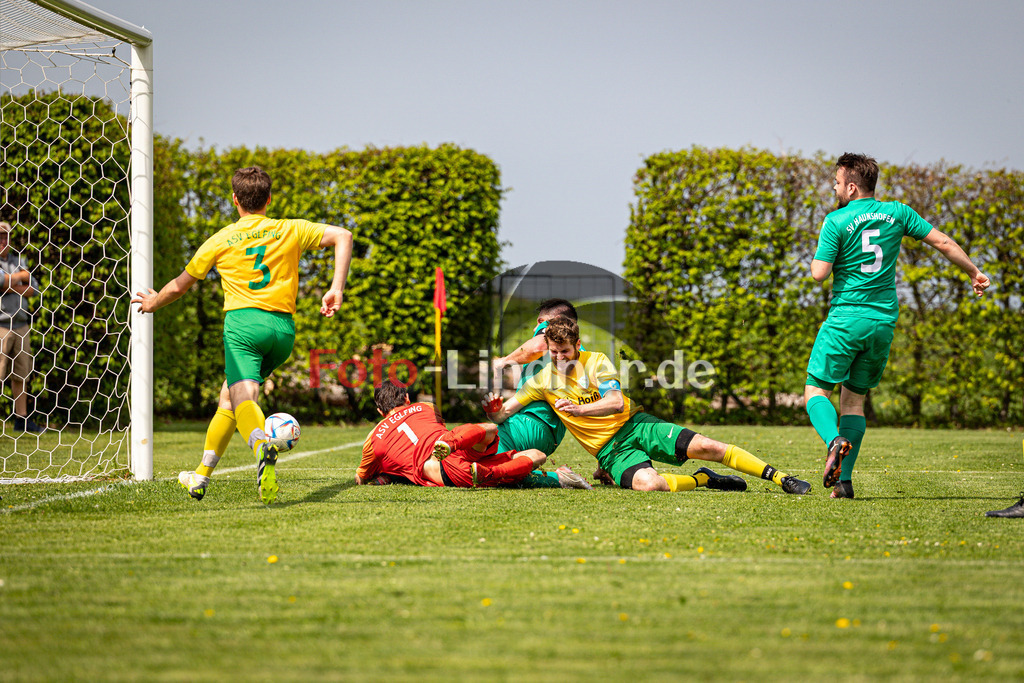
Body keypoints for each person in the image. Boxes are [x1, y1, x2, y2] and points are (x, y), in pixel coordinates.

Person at [132, 166, 353, 504]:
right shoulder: (289, 229)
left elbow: (179, 286)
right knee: (228, 400)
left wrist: (152, 302)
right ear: (268, 199)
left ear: (234, 199)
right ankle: (200, 477)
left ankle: (261, 443)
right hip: (282, 332)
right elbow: (344, 236)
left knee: (244, 398)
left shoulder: (220, 239)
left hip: (243, 328)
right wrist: (335, 289)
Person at [805, 153, 990, 499]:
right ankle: (843, 484)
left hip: (846, 318)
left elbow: (819, 273)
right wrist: (974, 273)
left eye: (836, 182)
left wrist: (824, 253)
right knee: (854, 402)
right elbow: (944, 243)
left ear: (852, 187)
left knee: (815, 392)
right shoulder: (899, 213)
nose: (834, 187)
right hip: (883, 323)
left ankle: (834, 441)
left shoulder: (835, 220)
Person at [485, 316, 811, 494]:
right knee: (650, 484)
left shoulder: (596, 362)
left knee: (708, 445)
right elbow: (505, 412)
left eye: (565, 352)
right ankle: (704, 479)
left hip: (637, 425)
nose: (559, 359)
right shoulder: (542, 380)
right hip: (610, 452)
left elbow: (614, 402)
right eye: (553, 353)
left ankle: (781, 478)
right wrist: (493, 410)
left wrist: (580, 410)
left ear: (578, 345)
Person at [355, 380, 591, 489]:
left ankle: (491, 471)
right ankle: (453, 444)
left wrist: (387, 474)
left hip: (447, 471)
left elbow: (362, 477)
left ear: (379, 411)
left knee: (502, 467)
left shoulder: (374, 439)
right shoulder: (425, 407)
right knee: (504, 437)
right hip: (459, 446)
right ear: (407, 398)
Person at [491, 298, 584, 488]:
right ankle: (559, 478)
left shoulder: (550, 330)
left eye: (540, 321)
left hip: (529, 423)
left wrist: (503, 361)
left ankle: (556, 478)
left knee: (482, 461)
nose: (537, 326)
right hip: (548, 433)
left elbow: (538, 346)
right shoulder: (578, 351)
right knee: (496, 470)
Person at [0, 221, 42, 433]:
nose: (3, 240)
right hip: (1, 326)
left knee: (22, 374)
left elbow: (33, 289)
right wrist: (19, 279)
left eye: (6, 236)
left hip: (21, 325)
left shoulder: (18, 260)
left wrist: (9, 284)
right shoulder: (20, 268)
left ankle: (22, 419)